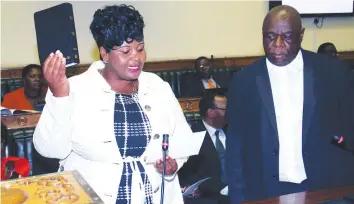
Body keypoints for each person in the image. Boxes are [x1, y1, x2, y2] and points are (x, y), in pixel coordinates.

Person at [33, 5, 192, 204]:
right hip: (93, 196)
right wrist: (59, 96)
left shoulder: (158, 86)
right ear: (104, 54)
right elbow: (51, 150)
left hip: (154, 196)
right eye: (126, 51)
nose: (136, 57)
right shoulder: (74, 88)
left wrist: (174, 164)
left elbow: (182, 139)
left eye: (140, 49)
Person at [226, 5, 354, 204]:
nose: (277, 44)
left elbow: (347, 132)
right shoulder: (244, 81)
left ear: (301, 35)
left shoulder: (331, 73)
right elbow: (236, 149)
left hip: (324, 189)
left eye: (286, 37)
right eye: (270, 37)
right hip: (266, 191)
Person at [179, 89, 229, 204]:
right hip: (207, 197)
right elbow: (185, 170)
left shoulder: (233, 132)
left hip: (238, 192)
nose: (229, 112)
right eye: (225, 109)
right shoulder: (192, 135)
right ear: (211, 112)